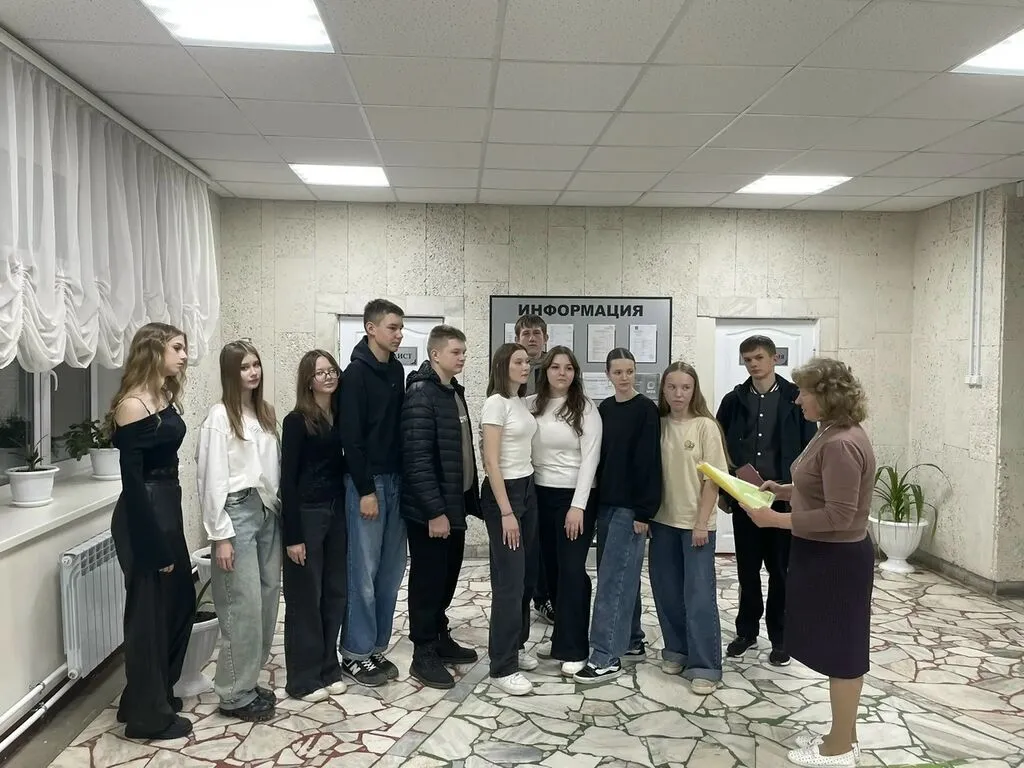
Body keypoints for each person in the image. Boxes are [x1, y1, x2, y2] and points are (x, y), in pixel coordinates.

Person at [740, 358, 875, 768]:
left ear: (826, 396)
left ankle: (839, 750)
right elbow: (819, 486)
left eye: (804, 392)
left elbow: (839, 514)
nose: (797, 399)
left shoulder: (841, 443)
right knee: (839, 648)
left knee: (843, 653)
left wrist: (775, 520)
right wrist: (781, 490)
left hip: (837, 559)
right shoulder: (831, 431)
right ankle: (844, 735)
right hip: (824, 554)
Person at [109, 322, 193, 740]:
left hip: (166, 508)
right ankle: (148, 716)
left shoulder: (163, 396)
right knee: (148, 617)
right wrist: (153, 546)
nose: (184, 355)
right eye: (176, 347)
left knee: (179, 604)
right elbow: (133, 483)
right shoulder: (133, 405)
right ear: (153, 350)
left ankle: (149, 695)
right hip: (143, 515)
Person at [715, 335, 817, 666]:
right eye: (747, 360)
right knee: (747, 570)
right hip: (745, 500)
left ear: (775, 359)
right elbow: (720, 449)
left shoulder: (795, 398)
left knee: (781, 571)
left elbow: (811, 450)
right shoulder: (733, 400)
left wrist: (802, 494)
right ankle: (746, 632)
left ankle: (781, 637)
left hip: (784, 500)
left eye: (759, 358)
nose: (753, 364)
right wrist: (724, 493)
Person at [197, 340, 281, 722]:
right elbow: (210, 476)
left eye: (256, 364)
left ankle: (246, 680)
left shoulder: (263, 413)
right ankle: (233, 695)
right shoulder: (219, 416)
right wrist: (220, 535)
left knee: (266, 599)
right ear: (230, 372)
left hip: (266, 509)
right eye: (245, 366)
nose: (253, 372)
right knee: (240, 605)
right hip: (236, 513)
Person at [574, 348, 662, 684]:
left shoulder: (646, 410)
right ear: (608, 374)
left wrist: (644, 512)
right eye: (618, 372)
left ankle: (605, 656)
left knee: (613, 581)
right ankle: (632, 640)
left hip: (631, 509)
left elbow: (649, 462)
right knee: (621, 576)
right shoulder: (605, 409)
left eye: (630, 371)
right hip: (606, 505)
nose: (624, 377)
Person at [401, 325, 481, 689]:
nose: (462, 357)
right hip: (431, 512)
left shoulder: (452, 391)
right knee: (428, 579)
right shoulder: (421, 394)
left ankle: (439, 634)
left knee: (447, 577)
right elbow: (417, 459)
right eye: (455, 352)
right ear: (435, 355)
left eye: (463, 352)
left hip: (454, 505)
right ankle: (423, 652)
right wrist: (434, 512)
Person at [337, 298, 407, 687]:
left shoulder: (396, 370)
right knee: (362, 573)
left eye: (401, 328)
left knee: (391, 572)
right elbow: (351, 438)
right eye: (392, 327)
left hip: (396, 482)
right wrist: (365, 489)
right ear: (371, 328)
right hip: (367, 484)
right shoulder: (355, 375)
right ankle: (354, 652)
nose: (399, 334)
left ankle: (376, 646)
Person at [650, 362, 728, 696]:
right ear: (663, 390)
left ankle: (705, 665)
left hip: (696, 525)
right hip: (662, 522)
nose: (678, 394)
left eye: (685, 387)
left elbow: (714, 479)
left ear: (694, 390)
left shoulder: (705, 427)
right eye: (672, 387)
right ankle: (676, 650)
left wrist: (701, 523)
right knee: (666, 591)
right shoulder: (657, 424)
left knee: (698, 596)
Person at [527, 346, 602, 677]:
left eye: (568, 368)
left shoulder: (586, 408)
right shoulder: (531, 405)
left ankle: (575, 648)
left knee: (572, 571)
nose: (562, 373)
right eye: (556, 367)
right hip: (540, 495)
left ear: (575, 373)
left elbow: (590, 460)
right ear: (545, 371)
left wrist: (578, 506)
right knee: (552, 570)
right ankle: (561, 637)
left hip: (576, 497)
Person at [280, 350, 349, 702]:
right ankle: (303, 679)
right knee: (306, 596)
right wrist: (293, 535)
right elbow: (287, 480)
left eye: (331, 370)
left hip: (336, 512)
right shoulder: (296, 421)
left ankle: (328, 667)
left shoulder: (339, 415)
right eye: (320, 372)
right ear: (308, 380)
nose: (328, 376)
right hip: (307, 514)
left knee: (335, 592)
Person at [481, 342, 540, 696]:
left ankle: (516, 645)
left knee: (527, 578)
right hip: (505, 495)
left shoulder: (520, 401)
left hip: (527, 488)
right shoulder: (496, 403)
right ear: (503, 366)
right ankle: (502, 667)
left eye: (527, 361)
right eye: (518, 361)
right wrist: (506, 512)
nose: (525, 366)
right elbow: (491, 461)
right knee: (509, 583)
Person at [515, 313, 555, 625]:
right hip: (519, 467)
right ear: (517, 338)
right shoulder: (510, 370)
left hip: (550, 467)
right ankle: (524, 596)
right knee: (525, 540)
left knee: (547, 539)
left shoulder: (555, 369)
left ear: (545, 338)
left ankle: (544, 597)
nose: (531, 338)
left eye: (537, 333)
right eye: (526, 333)